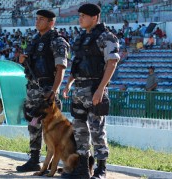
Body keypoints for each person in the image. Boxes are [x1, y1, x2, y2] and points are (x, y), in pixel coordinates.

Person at [62, 4, 120, 179]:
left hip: (95, 88)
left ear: (95, 17)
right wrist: (68, 83)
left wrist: (101, 89)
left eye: (83, 16)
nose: (80, 18)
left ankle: (101, 169)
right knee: (79, 131)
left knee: (97, 130)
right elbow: (77, 64)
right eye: (79, 15)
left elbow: (112, 63)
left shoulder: (107, 37)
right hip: (79, 89)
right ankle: (82, 168)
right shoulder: (82, 38)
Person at [16, 9, 69, 172]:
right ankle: (34, 159)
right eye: (37, 18)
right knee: (33, 125)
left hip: (47, 90)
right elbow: (31, 67)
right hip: (33, 88)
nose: (37, 21)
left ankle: (51, 162)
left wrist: (54, 90)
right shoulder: (35, 40)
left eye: (41, 19)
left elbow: (61, 69)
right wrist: (23, 60)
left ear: (51, 22)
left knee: (52, 128)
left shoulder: (57, 41)